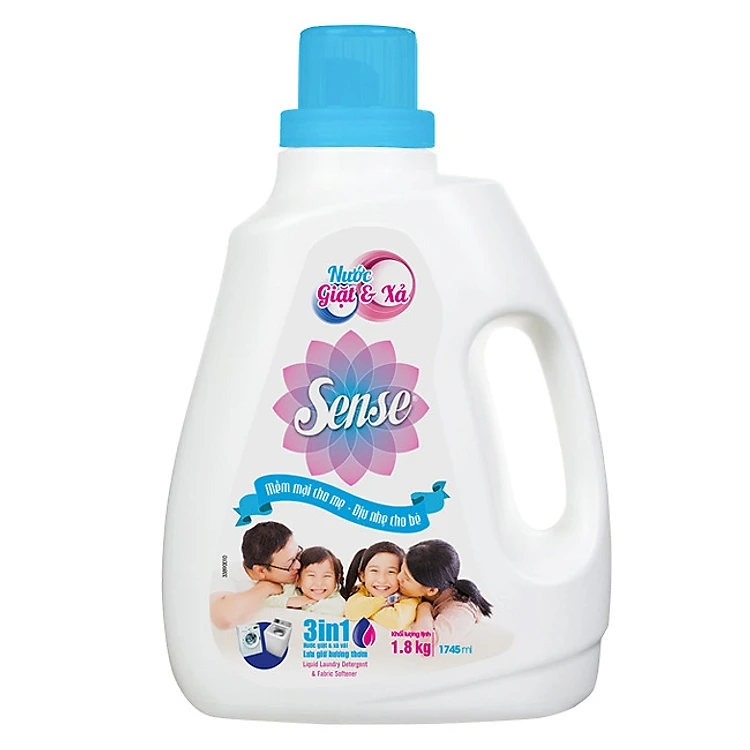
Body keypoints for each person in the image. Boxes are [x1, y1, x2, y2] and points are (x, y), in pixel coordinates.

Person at [210, 521, 302, 630]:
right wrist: (266, 587)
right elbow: (225, 618)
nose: (298, 565)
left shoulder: (296, 567)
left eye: (298, 554)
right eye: (290, 563)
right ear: (260, 571)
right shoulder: (224, 576)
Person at [398, 539, 492, 644]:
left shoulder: (460, 611)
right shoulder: (424, 586)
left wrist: (424, 608)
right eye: (401, 569)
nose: (398, 577)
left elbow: (425, 644)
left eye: (407, 578)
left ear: (431, 590)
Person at [343, 541, 420, 629]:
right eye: (374, 570)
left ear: (401, 575)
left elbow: (396, 622)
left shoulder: (409, 596)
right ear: (362, 575)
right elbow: (352, 612)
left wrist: (367, 612)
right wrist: (384, 601)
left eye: (391, 572)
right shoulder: (361, 590)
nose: (381, 580)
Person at [264, 546, 346, 616]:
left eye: (327, 576)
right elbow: (263, 601)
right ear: (298, 580)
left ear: (336, 580)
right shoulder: (290, 589)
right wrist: (289, 601)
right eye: (311, 575)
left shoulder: (336, 604)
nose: (319, 583)